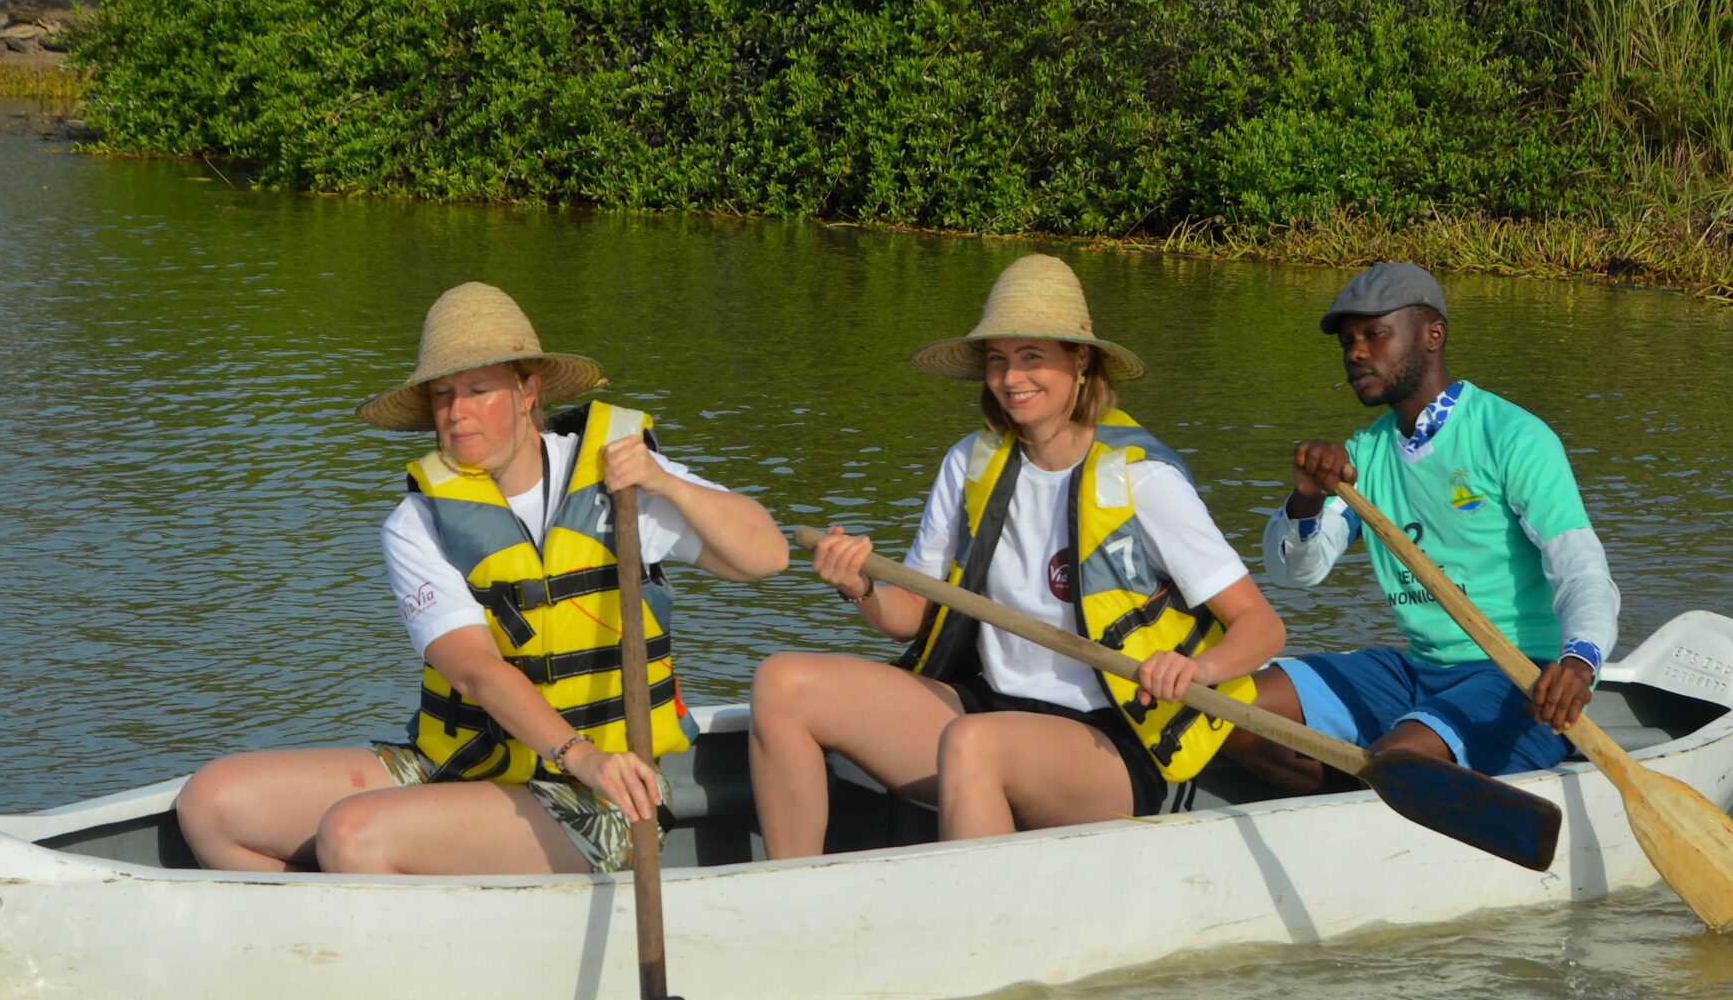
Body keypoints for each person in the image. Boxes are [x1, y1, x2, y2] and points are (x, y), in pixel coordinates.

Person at [175, 282, 789, 875]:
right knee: (212, 806)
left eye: (477, 390)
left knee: (353, 835)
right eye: (443, 395)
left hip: (601, 796)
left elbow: (766, 556)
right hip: (471, 765)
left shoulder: (620, 480)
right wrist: (578, 751)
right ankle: (347, 942)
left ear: (527, 392)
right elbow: (474, 669)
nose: (457, 413)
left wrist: (666, 483)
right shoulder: (417, 521)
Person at [748, 254, 1286, 853]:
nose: (1011, 379)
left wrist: (1199, 670)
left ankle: (978, 934)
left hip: (1108, 740)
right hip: (984, 705)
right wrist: (860, 586)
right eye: (999, 359)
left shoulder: (1143, 481)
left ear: (1080, 361)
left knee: (975, 743)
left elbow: (1262, 627)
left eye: (1033, 357)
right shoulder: (970, 463)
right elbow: (912, 618)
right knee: (781, 683)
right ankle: (792, 899)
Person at [1228, 261, 1620, 792]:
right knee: (1229, 708)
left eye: (1375, 334)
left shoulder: (1514, 437)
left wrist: (1578, 663)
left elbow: (1582, 571)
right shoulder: (1362, 457)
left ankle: (1376, 788)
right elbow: (1299, 573)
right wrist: (1306, 498)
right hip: (1415, 673)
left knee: (1394, 761)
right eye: (1347, 341)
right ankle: (1350, 799)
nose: (1357, 353)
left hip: (1519, 682)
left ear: (1432, 335)